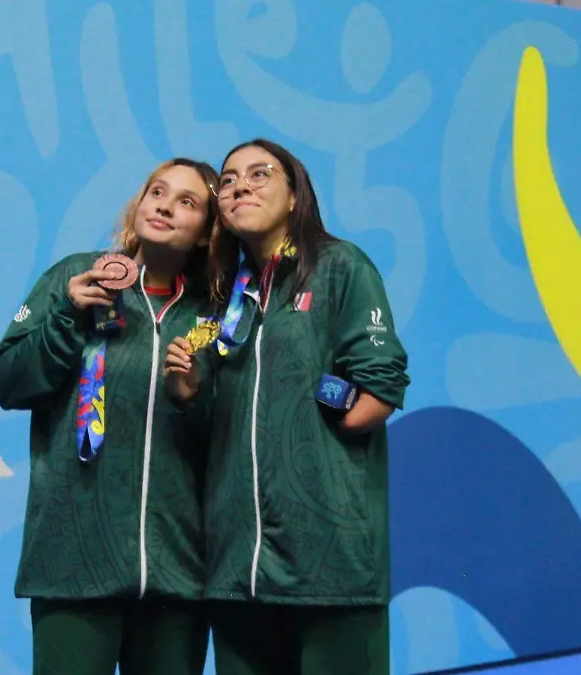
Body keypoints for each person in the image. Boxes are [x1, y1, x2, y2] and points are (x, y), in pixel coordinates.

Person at [163, 139, 411, 674]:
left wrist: (325, 415)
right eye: (227, 180)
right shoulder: (222, 299)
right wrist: (188, 394)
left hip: (329, 569)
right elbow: (216, 430)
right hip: (237, 575)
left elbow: (380, 388)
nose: (240, 186)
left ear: (295, 195)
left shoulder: (340, 266)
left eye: (259, 174)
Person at [0, 158, 221, 675]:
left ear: (208, 233)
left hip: (177, 572)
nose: (163, 204)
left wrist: (190, 398)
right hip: (74, 561)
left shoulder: (215, 317)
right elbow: (6, 381)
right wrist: (66, 320)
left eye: (187, 201)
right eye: (157, 191)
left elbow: (229, 440)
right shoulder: (75, 277)